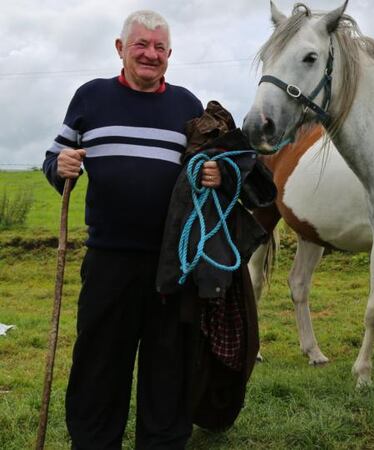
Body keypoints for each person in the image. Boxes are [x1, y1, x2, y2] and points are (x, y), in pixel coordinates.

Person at [42, 10, 221, 448]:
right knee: (100, 361)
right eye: (141, 44)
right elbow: (55, 158)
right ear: (121, 49)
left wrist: (214, 174)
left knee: (168, 364)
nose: (150, 54)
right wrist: (59, 166)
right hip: (109, 259)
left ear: (170, 56)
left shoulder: (187, 106)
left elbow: (203, 167)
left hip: (172, 263)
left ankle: (161, 443)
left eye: (160, 48)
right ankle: (94, 441)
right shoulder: (91, 97)